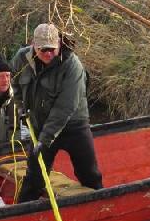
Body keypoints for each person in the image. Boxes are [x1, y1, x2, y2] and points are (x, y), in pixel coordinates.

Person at [10, 23, 103, 203]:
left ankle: (101, 207)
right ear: (33, 45)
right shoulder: (21, 58)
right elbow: (14, 81)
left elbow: (65, 107)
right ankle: (22, 211)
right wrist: (20, 104)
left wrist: (44, 139)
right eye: (43, 49)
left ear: (59, 44)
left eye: (52, 49)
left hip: (74, 125)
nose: (48, 54)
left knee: (89, 173)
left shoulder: (72, 65)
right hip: (40, 123)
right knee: (34, 176)